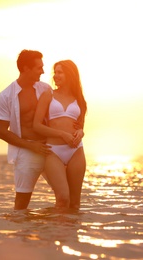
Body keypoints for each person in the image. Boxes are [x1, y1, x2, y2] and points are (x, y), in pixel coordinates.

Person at [0, 50, 52, 210]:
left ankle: (56, 233)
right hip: (27, 151)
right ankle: (22, 234)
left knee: (64, 195)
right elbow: (1, 132)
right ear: (26, 68)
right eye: (39, 68)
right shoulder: (6, 96)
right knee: (22, 202)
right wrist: (30, 146)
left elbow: (58, 114)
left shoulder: (46, 89)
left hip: (50, 148)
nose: (43, 71)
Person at [33, 60, 87, 210]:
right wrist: (62, 134)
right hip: (53, 151)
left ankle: (72, 233)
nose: (56, 76)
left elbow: (80, 126)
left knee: (75, 203)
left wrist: (81, 132)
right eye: (55, 72)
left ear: (70, 74)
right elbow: (36, 125)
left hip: (76, 151)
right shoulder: (48, 95)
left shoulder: (80, 100)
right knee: (63, 198)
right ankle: (55, 233)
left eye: (60, 72)